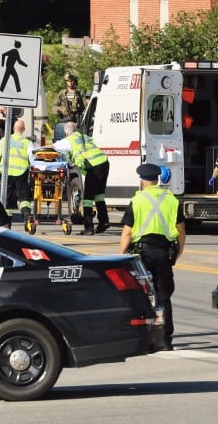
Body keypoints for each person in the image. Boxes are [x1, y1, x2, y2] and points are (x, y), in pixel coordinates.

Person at [119, 163, 185, 351]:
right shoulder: (171, 199)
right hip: (164, 252)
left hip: (142, 255)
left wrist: (122, 254)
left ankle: (144, 337)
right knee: (164, 297)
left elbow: (127, 233)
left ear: (142, 180)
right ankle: (165, 339)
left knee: (141, 296)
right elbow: (181, 229)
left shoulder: (138, 200)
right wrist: (179, 251)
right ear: (157, 179)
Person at [52, 121, 110, 235]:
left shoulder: (69, 140)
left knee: (88, 199)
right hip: (104, 163)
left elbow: (54, 147)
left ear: (66, 133)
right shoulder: (84, 137)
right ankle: (104, 221)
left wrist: (37, 149)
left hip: (94, 167)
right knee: (99, 196)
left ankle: (88, 228)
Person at [0, 119, 35, 222]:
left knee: (6, 197)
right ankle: (26, 213)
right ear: (23, 130)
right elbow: (32, 159)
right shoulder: (27, 143)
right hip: (21, 172)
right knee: (23, 196)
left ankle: (6, 220)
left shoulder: (5, 140)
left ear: (13, 129)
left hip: (6, 173)